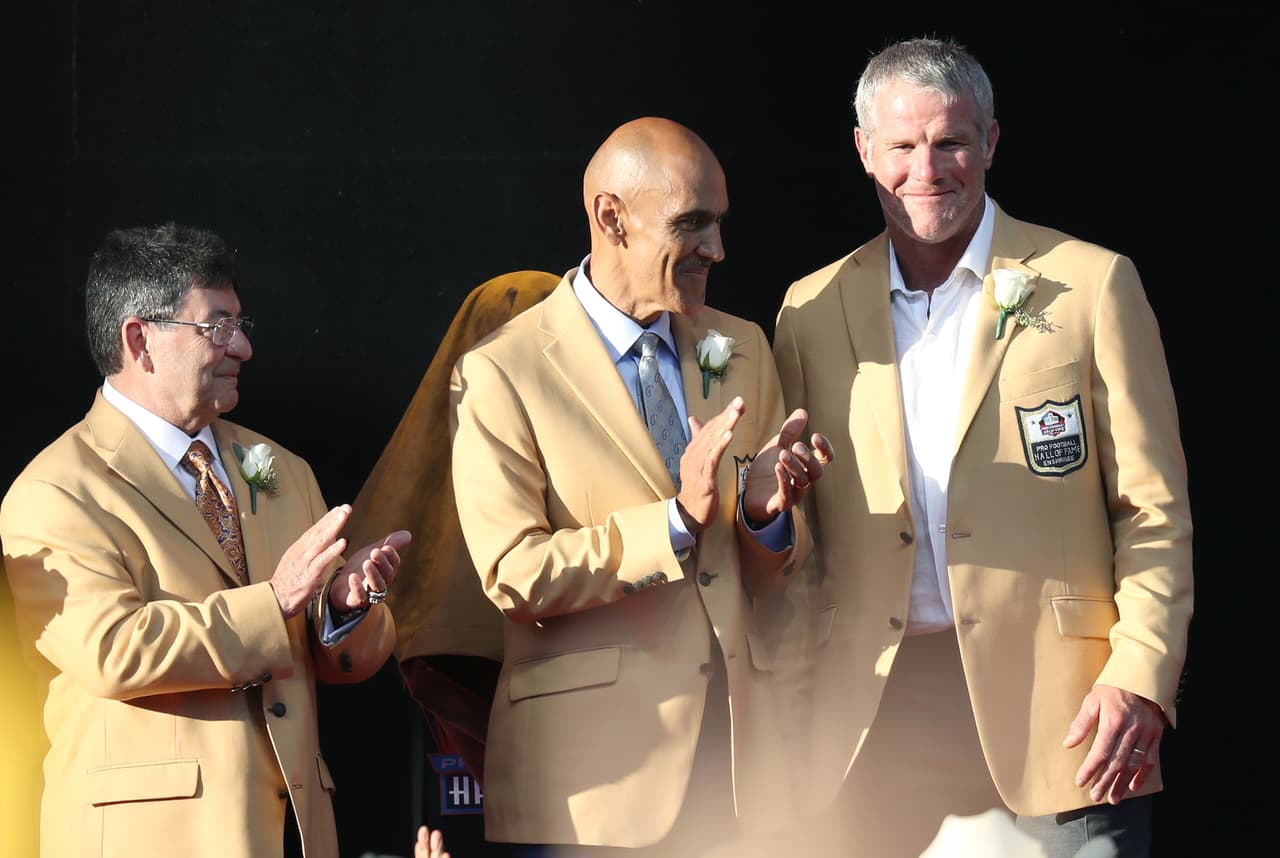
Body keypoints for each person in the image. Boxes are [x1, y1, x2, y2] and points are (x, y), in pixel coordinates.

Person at [772, 37, 1193, 858]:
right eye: (901, 145)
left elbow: (1153, 510)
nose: (927, 168)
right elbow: (804, 542)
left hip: (1068, 712)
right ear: (863, 151)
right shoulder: (807, 309)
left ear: (991, 141)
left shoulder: (1091, 282)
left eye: (951, 141)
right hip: (869, 716)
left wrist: (1141, 677)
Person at [448, 116, 833, 857]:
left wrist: (762, 518)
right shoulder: (502, 371)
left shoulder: (742, 344)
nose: (717, 250)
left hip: (743, 775)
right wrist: (677, 523)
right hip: (591, 789)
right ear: (611, 218)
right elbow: (513, 575)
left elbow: (784, 577)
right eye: (692, 224)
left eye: (720, 223)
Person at [0, 223, 412, 858]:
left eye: (243, 325)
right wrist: (275, 603)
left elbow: (337, 660)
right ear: (139, 340)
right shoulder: (57, 490)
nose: (242, 346)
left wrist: (342, 608)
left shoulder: (275, 468)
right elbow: (113, 650)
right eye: (216, 327)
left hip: (289, 833)